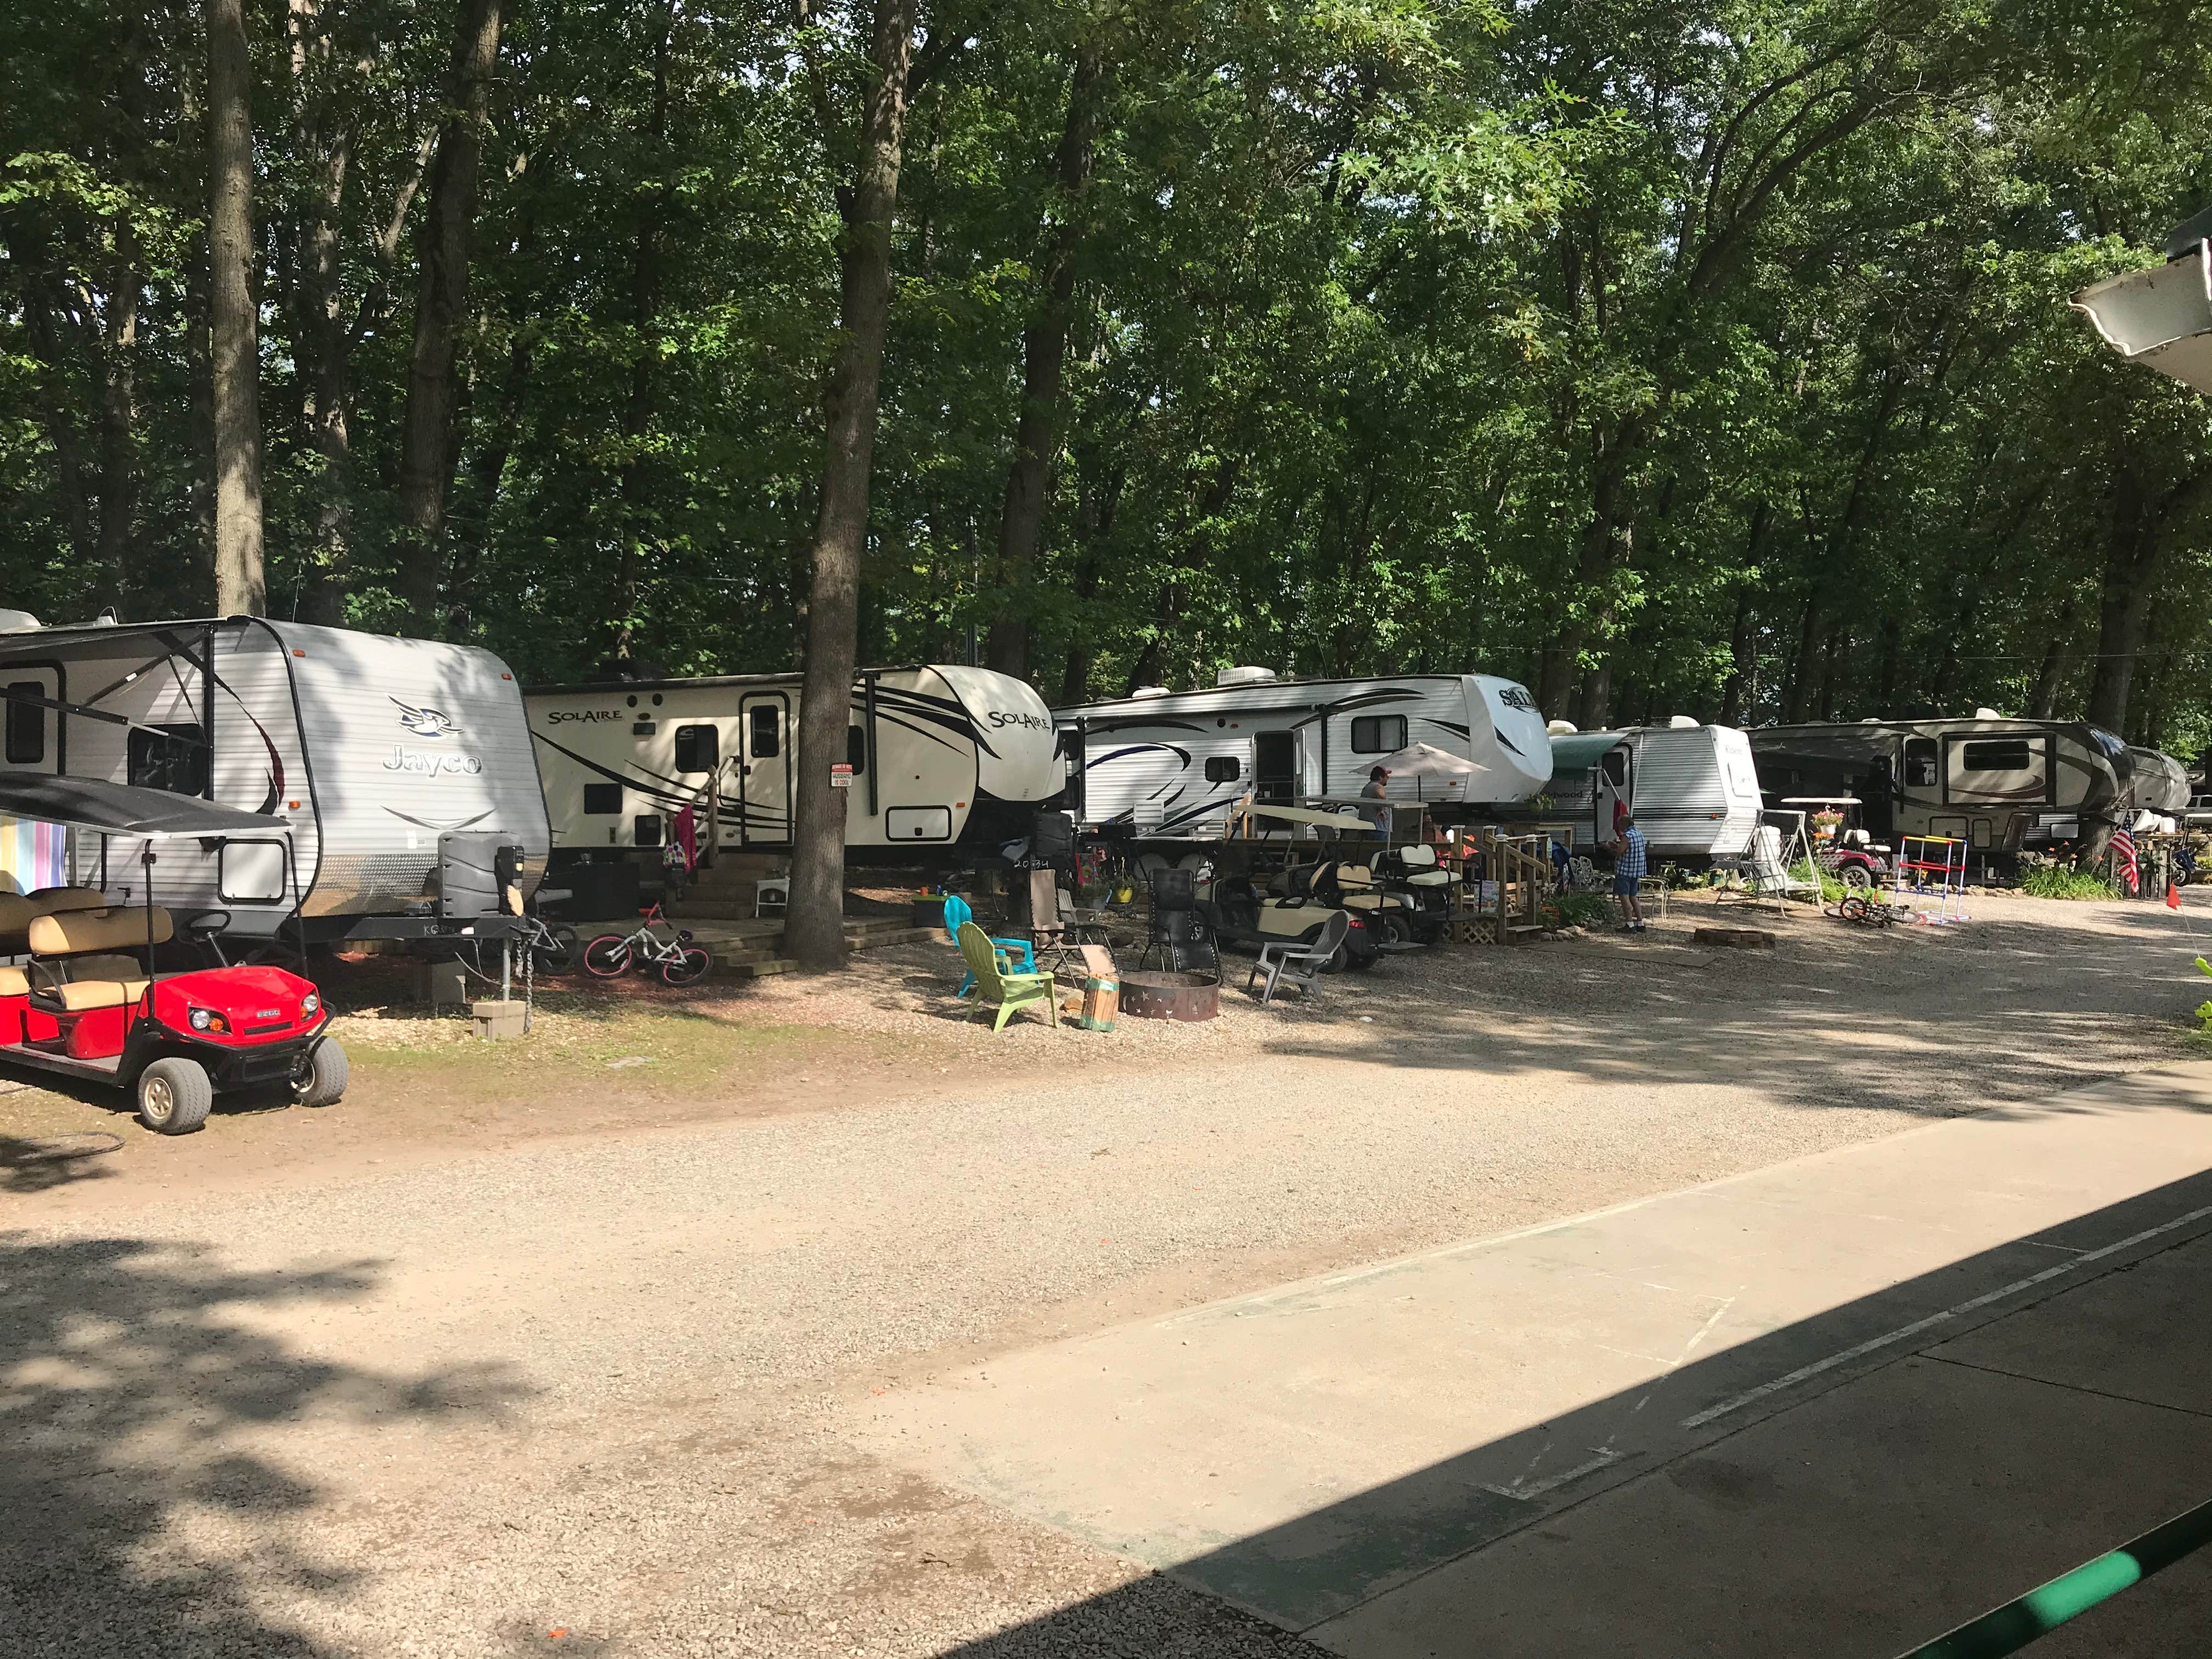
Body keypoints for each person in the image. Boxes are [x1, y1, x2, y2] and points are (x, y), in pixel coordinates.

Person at [1612, 813, 1649, 932]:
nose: (1618, 827)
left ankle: (1629, 924)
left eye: (1619, 824)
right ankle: (1640, 923)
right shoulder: (1638, 833)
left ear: (1624, 824)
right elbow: (1630, 849)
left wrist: (1609, 847)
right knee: (1634, 897)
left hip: (1626, 871)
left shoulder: (1627, 836)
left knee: (1624, 897)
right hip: (1637, 871)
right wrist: (1616, 845)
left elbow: (1620, 852)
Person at [1360, 765, 1391, 833]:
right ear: (1380, 777)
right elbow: (1381, 795)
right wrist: (1381, 810)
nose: (1388, 778)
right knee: (1381, 844)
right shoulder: (1377, 786)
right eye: (1386, 776)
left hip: (1368, 827)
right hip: (1379, 828)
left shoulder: (1367, 787)